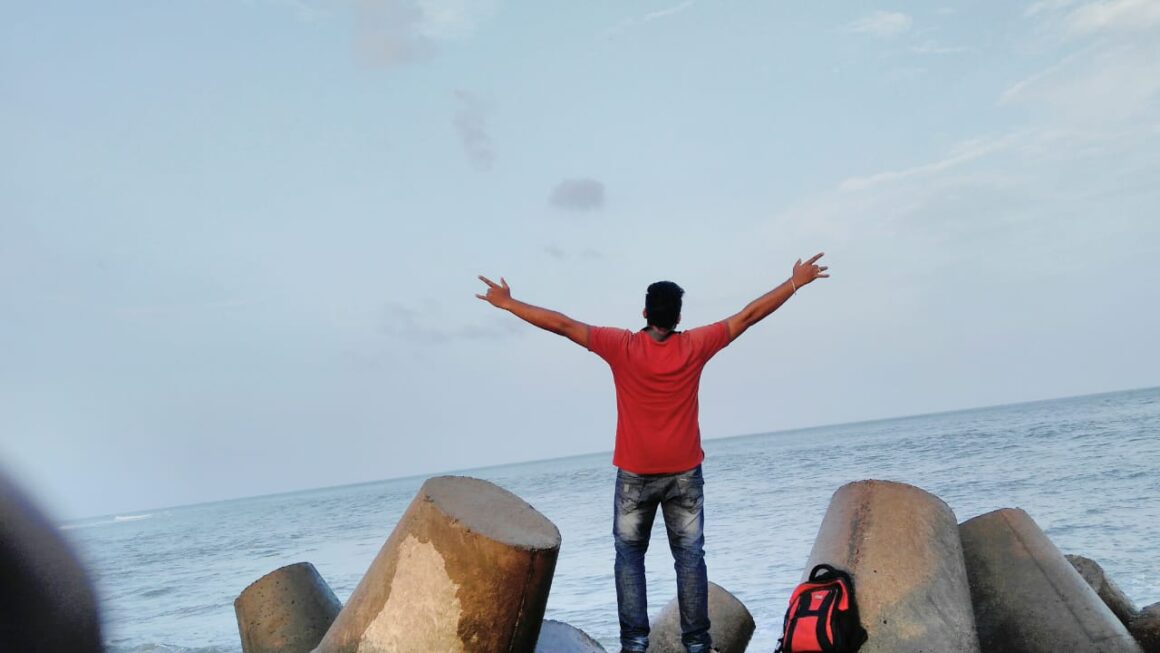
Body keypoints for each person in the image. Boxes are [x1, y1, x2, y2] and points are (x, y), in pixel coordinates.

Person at [476, 254, 829, 653]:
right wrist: (794, 282)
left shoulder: (620, 346)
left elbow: (562, 325)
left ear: (645, 312)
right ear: (678, 317)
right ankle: (697, 645)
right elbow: (748, 316)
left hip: (635, 475)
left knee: (629, 558)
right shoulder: (695, 345)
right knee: (690, 558)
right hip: (685, 475)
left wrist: (508, 303)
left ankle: (634, 645)